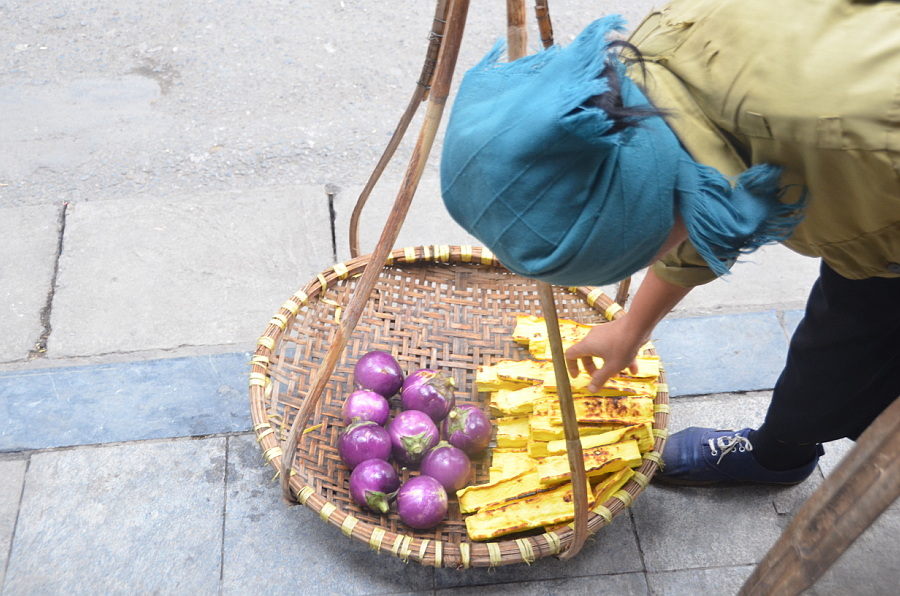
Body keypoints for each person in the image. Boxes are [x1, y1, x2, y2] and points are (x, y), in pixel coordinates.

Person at [440, 0, 900, 485]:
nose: (660, 256)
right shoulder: (653, 77)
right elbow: (689, 189)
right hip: (869, 225)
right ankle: (781, 450)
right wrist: (632, 327)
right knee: (840, 338)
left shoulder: (862, 144)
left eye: (646, 251)